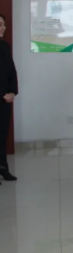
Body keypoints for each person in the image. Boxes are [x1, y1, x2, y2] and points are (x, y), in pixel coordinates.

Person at [0, 14, 18, 182]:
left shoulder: (5, 46)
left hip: (5, 100)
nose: (3, 28)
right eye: (0, 24)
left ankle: (3, 168)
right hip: (1, 96)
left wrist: (12, 92)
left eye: (3, 24)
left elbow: (11, 71)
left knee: (2, 135)